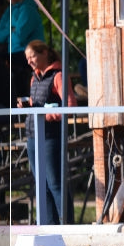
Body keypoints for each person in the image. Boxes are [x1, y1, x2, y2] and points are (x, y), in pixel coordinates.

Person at [19, 39, 77, 224]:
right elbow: (39, 103)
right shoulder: (34, 78)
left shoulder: (58, 75)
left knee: (55, 184)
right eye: (27, 58)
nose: (29, 61)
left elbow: (69, 106)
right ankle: (48, 228)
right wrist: (28, 106)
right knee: (41, 187)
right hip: (33, 135)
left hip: (50, 136)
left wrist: (45, 115)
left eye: (32, 56)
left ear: (44, 53)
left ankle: (66, 227)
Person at [0, 0, 45, 104]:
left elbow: (19, 37)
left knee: (0, 64)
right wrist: (12, 29)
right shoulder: (9, 10)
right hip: (14, 53)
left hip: (29, 53)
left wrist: (9, 32)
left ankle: (12, 103)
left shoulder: (28, 9)